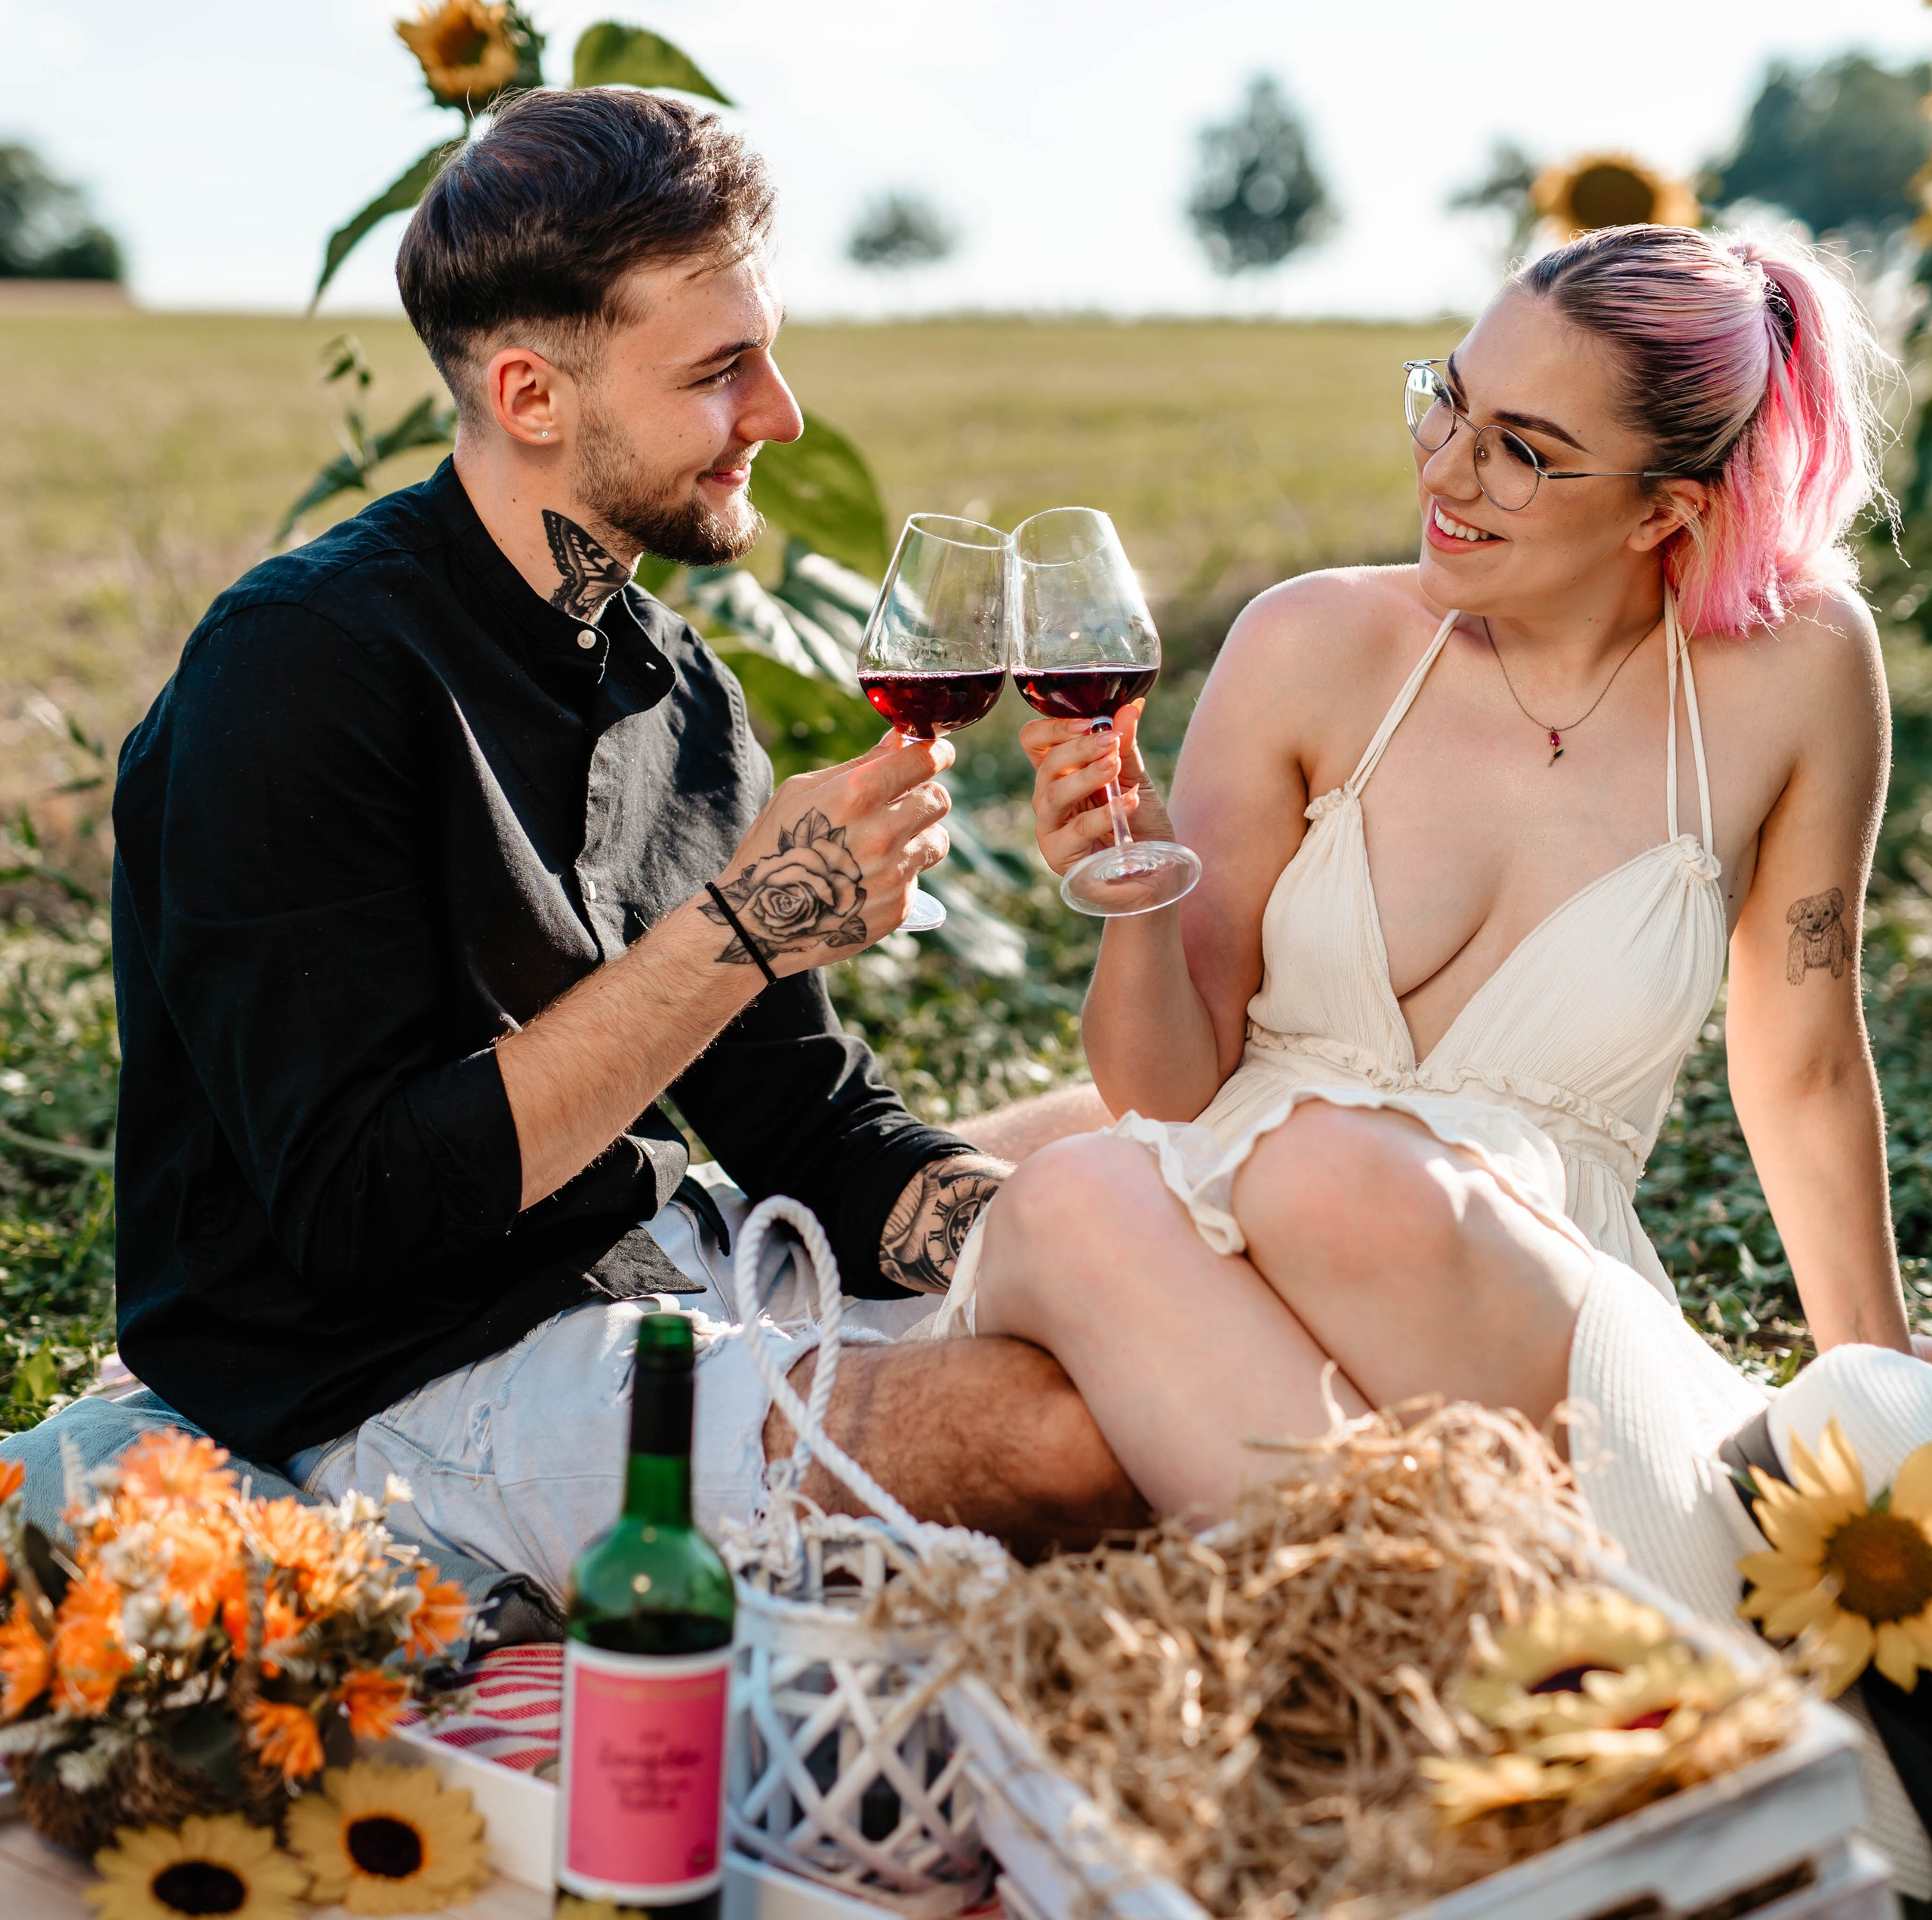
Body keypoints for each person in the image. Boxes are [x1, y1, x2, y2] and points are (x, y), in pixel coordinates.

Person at [3, 88, 1134, 1623]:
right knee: (1052, 1440)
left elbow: (797, 1113)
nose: (780, 415)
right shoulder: (300, 672)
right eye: (721, 369)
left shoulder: (676, 682)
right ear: (532, 393)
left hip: (651, 1270)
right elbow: (359, 1214)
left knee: (1135, 1155)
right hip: (386, 1375)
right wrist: (747, 921)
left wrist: (1039, 1236)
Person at [929, 224, 1922, 1526]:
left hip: (1505, 1299)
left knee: (1333, 1175)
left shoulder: (1793, 673)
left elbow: (1802, 1070)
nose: (1446, 470)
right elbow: (1168, 1090)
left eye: (1520, 450)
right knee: (1069, 1194)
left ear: (1664, 510)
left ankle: (1494, 1598)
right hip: (1216, 1242)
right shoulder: (1310, 641)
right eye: (1448, 398)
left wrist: (1886, 1405)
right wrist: (1139, 899)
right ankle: (1471, 1612)